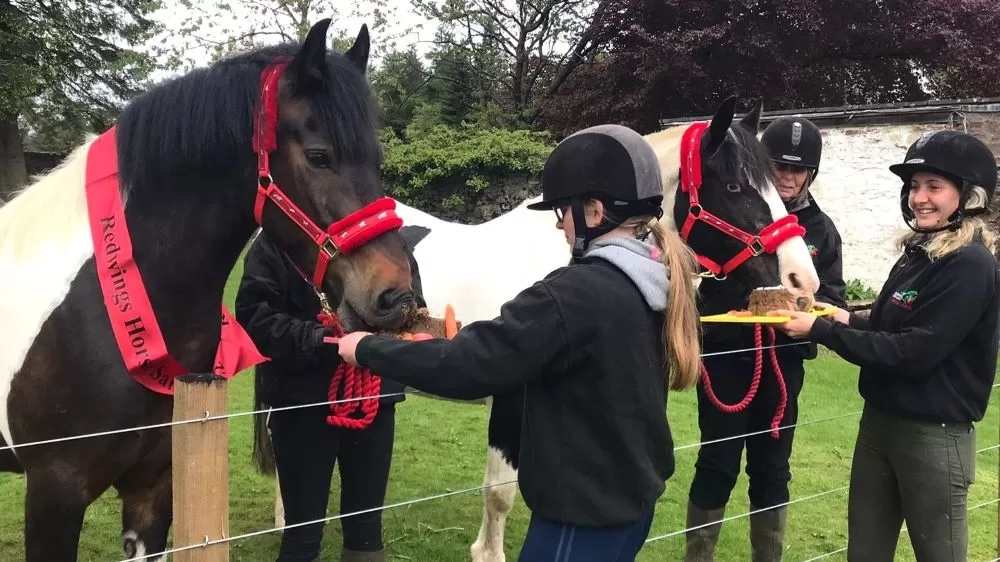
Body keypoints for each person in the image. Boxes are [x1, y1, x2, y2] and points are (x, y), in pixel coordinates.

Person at [333, 123, 703, 562]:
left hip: (580, 517)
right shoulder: (656, 282)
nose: (561, 227)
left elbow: (469, 366)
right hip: (631, 507)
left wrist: (366, 349)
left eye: (562, 213)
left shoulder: (572, 294)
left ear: (594, 210)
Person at [772, 129, 1000, 562]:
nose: (919, 198)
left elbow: (913, 353)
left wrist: (819, 332)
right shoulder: (920, 252)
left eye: (934, 186)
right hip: (879, 424)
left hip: (933, 436)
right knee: (866, 550)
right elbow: (887, 325)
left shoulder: (969, 263)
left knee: (940, 555)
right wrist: (840, 317)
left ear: (967, 197)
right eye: (914, 186)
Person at [683, 116, 845, 562]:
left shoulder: (821, 230)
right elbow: (710, 280)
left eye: (798, 169)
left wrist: (805, 311)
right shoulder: (740, 210)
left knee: (772, 470)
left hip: (782, 363)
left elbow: (831, 294)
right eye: (778, 166)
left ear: (811, 174)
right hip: (726, 357)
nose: (787, 176)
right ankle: (697, 557)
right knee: (716, 463)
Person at [235, 229, 427, 562]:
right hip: (302, 402)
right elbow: (254, 317)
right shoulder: (277, 242)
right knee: (303, 533)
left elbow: (412, 304)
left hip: (374, 399)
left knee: (366, 530)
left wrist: (400, 327)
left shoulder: (390, 242)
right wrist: (323, 340)